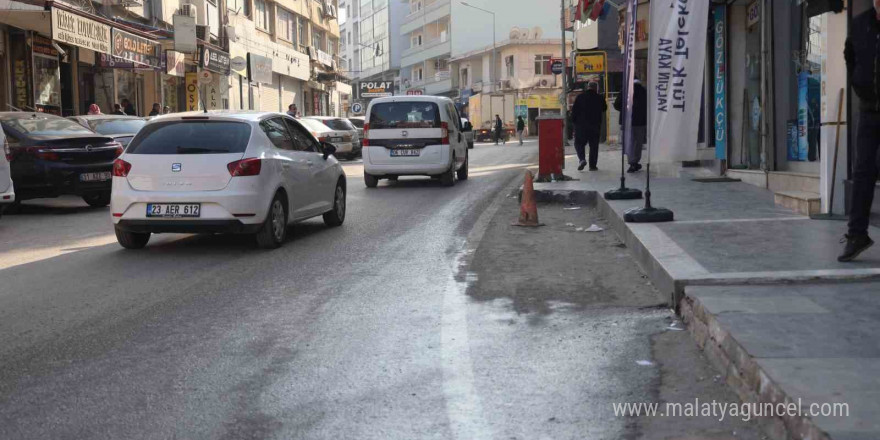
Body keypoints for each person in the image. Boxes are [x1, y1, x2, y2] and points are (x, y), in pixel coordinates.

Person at [840, 2, 880, 262]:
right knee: (862, 171)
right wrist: (860, 86)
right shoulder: (860, 24)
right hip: (869, 109)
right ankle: (857, 235)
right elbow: (850, 57)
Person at [613, 78, 648, 173]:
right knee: (638, 143)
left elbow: (616, 105)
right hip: (640, 122)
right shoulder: (644, 91)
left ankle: (632, 162)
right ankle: (635, 161)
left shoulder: (625, 91)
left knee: (630, 142)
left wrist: (625, 110)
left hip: (627, 121)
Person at [571, 82, 607, 171]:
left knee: (579, 144)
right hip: (595, 126)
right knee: (594, 146)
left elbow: (574, 111)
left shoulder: (580, 97)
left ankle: (582, 159)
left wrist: (574, 124)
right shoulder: (599, 98)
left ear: (588, 87)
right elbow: (604, 108)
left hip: (581, 126)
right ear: (596, 88)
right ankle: (592, 166)